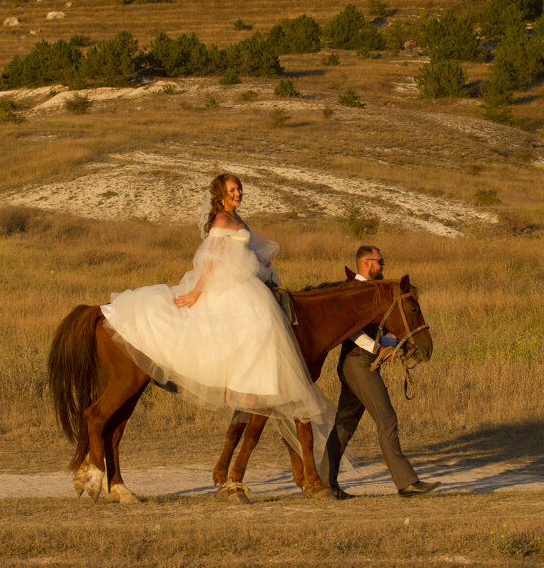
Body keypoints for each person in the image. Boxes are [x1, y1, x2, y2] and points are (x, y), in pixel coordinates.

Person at [99, 174, 332, 426]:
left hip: (245, 280)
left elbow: (248, 250)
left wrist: (270, 271)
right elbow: (210, 259)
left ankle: (254, 385)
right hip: (229, 282)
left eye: (239, 189)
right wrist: (197, 291)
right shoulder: (222, 219)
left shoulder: (236, 218)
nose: (238, 194)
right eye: (232, 190)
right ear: (221, 194)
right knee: (257, 322)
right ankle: (242, 387)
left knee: (263, 324)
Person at [323, 245, 440, 499]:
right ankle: (407, 482)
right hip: (358, 364)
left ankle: (324, 482)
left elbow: (371, 334)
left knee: (344, 426)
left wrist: (396, 345)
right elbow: (351, 331)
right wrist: (377, 349)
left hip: (357, 363)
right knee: (386, 419)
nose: (384, 266)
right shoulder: (355, 290)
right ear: (367, 263)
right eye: (381, 262)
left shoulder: (369, 290)